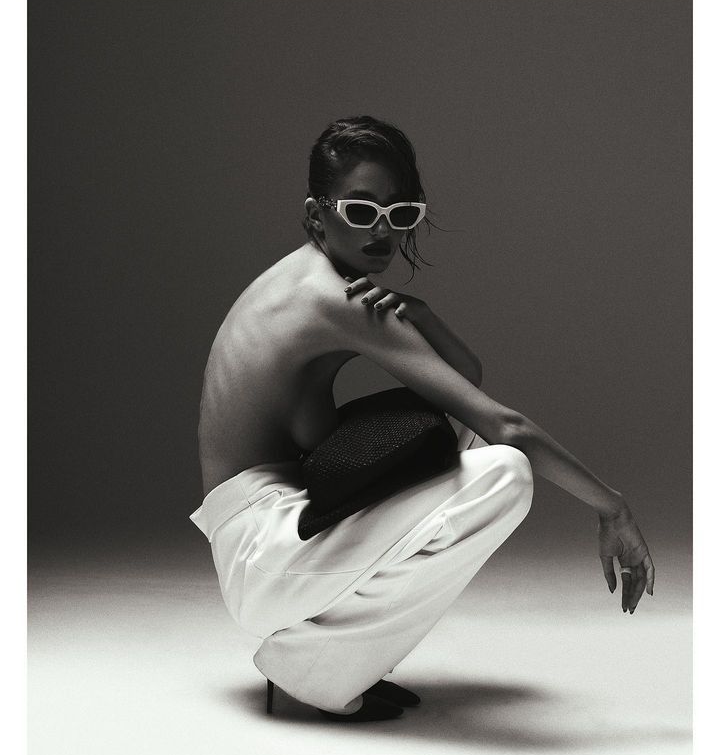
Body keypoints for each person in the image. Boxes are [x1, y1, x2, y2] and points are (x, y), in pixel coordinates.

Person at [190, 115, 655, 722]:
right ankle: (310, 670)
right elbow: (502, 425)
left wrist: (422, 314)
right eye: (360, 211)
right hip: (266, 555)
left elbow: (462, 385)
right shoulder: (334, 301)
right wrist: (612, 507)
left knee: (449, 428)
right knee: (505, 475)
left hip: (268, 545)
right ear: (315, 212)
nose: (382, 231)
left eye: (399, 212)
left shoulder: (309, 279)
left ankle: (341, 659)